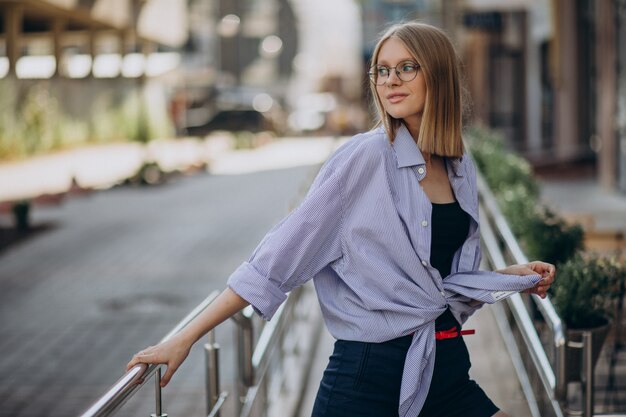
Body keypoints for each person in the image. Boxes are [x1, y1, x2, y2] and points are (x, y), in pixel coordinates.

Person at [127, 22, 556, 417]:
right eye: (382, 70)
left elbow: (436, 285)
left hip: (443, 365)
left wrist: (503, 276)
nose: (391, 80)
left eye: (407, 67)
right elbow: (277, 259)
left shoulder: (460, 164)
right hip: (367, 378)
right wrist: (184, 338)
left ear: (439, 75)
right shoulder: (366, 158)